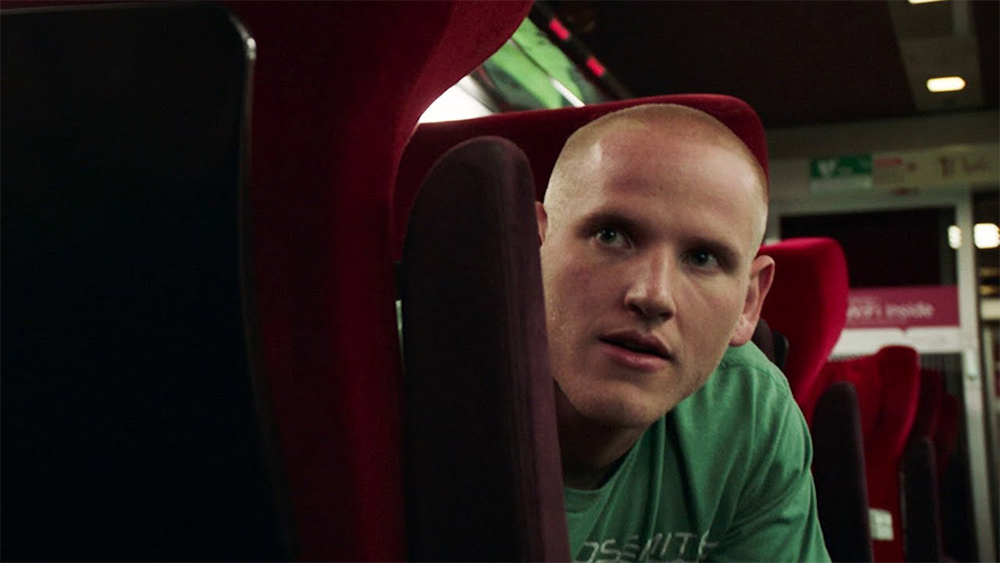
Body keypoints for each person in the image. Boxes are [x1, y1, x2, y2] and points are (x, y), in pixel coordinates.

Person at [534, 102, 831, 562]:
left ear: (748, 303)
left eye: (702, 259)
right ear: (528, 248)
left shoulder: (749, 413)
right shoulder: (419, 385)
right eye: (611, 235)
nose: (653, 295)